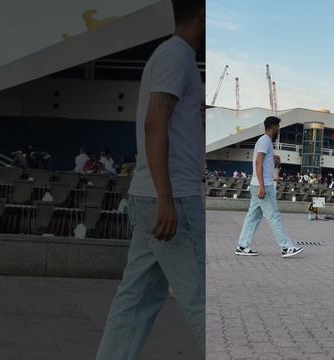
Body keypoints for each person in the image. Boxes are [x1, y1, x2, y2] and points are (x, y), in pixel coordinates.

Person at [96, 2, 206, 358]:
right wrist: (166, 197)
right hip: (171, 198)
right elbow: (155, 122)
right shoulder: (177, 56)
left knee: (137, 299)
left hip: (153, 196)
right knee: (205, 300)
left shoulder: (172, 56)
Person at [234, 116, 303, 258]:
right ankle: (286, 247)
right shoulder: (265, 141)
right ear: (274, 127)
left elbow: (262, 162)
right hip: (263, 184)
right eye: (278, 127)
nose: (279, 130)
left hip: (258, 184)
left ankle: (242, 246)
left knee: (252, 217)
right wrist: (262, 186)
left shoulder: (264, 141)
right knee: (274, 216)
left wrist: (273, 159)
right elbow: (258, 163)